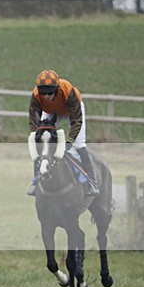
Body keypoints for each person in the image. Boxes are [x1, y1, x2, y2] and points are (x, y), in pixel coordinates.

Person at [27, 69, 99, 197]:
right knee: (41, 143)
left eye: (50, 93)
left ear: (57, 88)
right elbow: (33, 119)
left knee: (79, 145)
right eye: (44, 93)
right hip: (51, 111)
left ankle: (92, 182)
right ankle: (36, 181)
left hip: (72, 111)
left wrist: (70, 140)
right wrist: (36, 135)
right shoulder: (36, 95)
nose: (47, 97)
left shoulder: (68, 91)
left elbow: (77, 121)